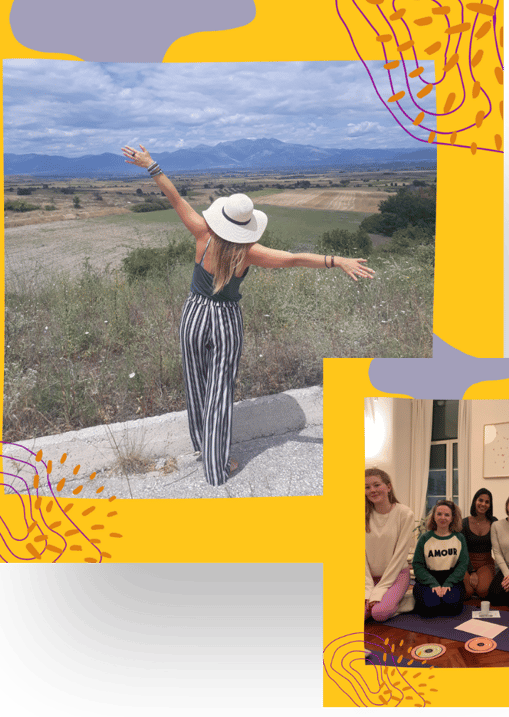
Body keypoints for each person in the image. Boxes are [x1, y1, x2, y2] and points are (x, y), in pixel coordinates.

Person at [122, 145, 375, 486]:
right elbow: (294, 258)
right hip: (226, 320)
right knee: (220, 393)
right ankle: (216, 468)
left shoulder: (201, 233)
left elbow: (174, 196)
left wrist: (151, 165)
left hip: (194, 314)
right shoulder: (251, 252)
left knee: (195, 384)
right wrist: (336, 260)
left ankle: (202, 447)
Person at [365, 468, 416, 621]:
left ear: (388, 487)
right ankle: (390, 598)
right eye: (367, 487)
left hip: (396, 575)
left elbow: (400, 556)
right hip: (368, 577)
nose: (372, 490)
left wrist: (379, 590)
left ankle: (405, 600)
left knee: (379, 614)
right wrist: (368, 590)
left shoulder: (405, 514)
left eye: (376, 485)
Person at [412, 500, 469, 617]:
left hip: (452, 580)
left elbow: (463, 564)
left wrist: (449, 583)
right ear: (433, 516)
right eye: (439, 514)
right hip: (428, 580)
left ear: (452, 518)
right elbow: (417, 565)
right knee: (430, 608)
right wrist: (433, 584)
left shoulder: (459, 538)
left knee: (453, 608)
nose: (443, 517)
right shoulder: (424, 538)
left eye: (447, 515)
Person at [461, 488, 498, 600]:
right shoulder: (464, 523)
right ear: (474, 502)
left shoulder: (494, 522)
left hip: (486, 563)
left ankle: (478, 586)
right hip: (466, 563)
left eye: (487, 502)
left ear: (490, 505)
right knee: (467, 592)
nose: (483, 504)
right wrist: (471, 571)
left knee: (483, 591)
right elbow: (462, 550)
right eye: (480, 500)